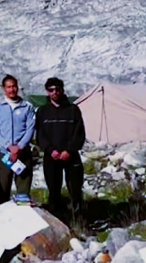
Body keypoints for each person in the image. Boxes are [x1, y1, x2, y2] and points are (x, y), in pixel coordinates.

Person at [37, 77, 86, 219]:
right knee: (53, 189)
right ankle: (57, 218)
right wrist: (50, 150)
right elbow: (40, 134)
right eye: (51, 90)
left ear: (62, 90)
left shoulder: (73, 110)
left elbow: (79, 132)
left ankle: (79, 219)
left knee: (75, 189)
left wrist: (69, 150)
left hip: (70, 156)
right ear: (47, 92)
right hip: (51, 156)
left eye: (58, 89)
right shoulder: (42, 111)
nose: (55, 92)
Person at [0, 74, 36, 204]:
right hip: (5, 155)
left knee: (23, 193)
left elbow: (30, 129)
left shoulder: (27, 107)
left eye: (14, 86)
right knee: (3, 192)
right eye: (9, 87)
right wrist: (8, 146)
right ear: (4, 89)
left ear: (18, 87)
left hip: (23, 154)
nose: (12, 90)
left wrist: (19, 147)